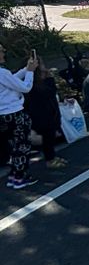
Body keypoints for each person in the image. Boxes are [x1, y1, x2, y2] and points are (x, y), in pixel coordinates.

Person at [0, 44, 39, 189]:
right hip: (14, 113)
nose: (4, 52)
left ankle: (14, 175)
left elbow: (11, 80)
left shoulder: (3, 74)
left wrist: (26, 69)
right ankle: (19, 177)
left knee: (12, 146)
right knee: (22, 145)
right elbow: (25, 87)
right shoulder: (2, 72)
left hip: (2, 115)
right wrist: (30, 72)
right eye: (1, 51)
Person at [25, 61, 66, 169]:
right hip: (40, 114)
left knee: (50, 135)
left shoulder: (41, 81)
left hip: (49, 112)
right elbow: (49, 92)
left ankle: (52, 157)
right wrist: (49, 78)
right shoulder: (34, 83)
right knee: (47, 135)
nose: (44, 66)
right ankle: (50, 160)